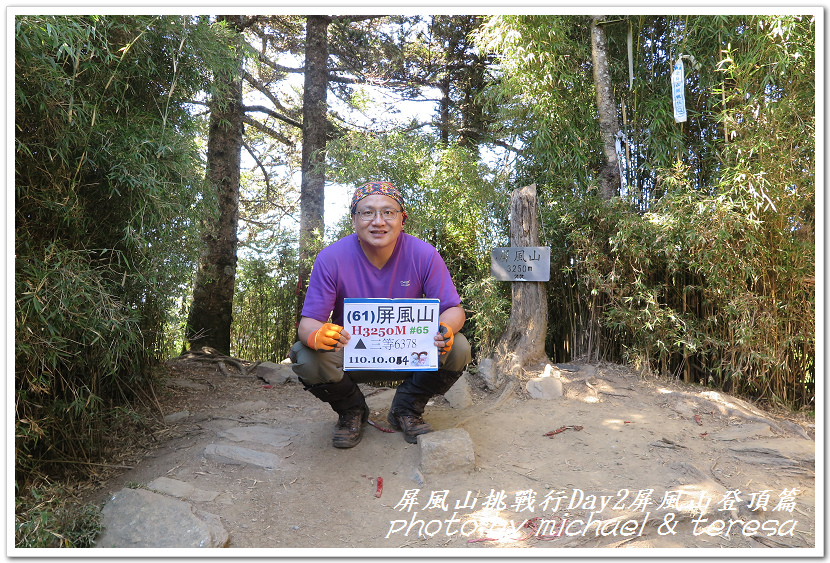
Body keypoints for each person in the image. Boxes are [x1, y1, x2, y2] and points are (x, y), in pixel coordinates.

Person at [289, 181, 471, 448]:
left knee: (459, 348)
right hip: (353, 352)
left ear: (401, 219)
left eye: (388, 212)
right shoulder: (331, 258)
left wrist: (445, 327)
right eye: (367, 212)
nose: (378, 221)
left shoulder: (424, 255)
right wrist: (317, 335)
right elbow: (308, 323)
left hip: (410, 351)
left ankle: (406, 409)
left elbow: (455, 309)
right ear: (353, 219)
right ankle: (352, 411)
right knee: (305, 356)